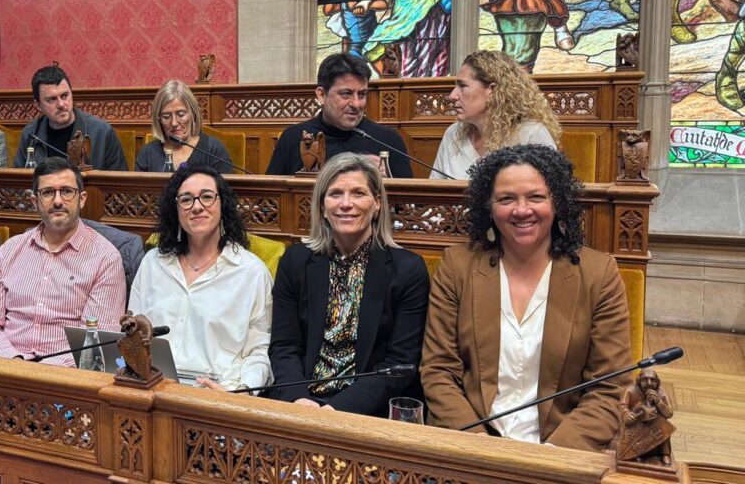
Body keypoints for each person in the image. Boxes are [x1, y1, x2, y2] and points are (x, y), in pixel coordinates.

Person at [421, 145, 632, 451]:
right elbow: (438, 370)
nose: (521, 210)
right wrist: (477, 446)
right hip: (471, 445)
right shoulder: (457, 267)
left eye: (536, 197)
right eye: (506, 199)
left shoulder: (599, 274)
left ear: (557, 202)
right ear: (489, 207)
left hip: (559, 451)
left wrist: (550, 457)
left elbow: (610, 386)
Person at [269, 153, 428, 415]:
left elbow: (399, 364)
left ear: (377, 204)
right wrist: (299, 400)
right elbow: (284, 346)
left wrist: (336, 410)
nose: (345, 204)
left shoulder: (408, 270)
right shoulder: (295, 261)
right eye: (335, 194)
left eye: (358, 193)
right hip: (301, 402)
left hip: (367, 410)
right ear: (322, 206)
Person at [0, 157, 126, 364]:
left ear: (82, 199)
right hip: (6, 367)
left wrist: (39, 372)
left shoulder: (105, 258)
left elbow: (97, 343)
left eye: (67, 191)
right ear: (35, 201)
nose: (58, 201)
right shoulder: (10, 250)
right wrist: (14, 362)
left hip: (65, 377)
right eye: (48, 192)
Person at [129, 165, 272, 391]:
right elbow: (133, 332)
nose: (196, 207)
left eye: (206, 197)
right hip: (153, 388)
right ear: (175, 209)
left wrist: (242, 392)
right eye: (186, 199)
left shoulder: (251, 272)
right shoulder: (152, 263)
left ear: (223, 205)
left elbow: (259, 351)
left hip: (218, 394)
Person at [266, 53, 412, 177]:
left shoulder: (388, 140)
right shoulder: (293, 137)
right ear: (322, 95)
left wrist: (385, 184)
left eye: (362, 94)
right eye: (346, 94)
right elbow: (270, 198)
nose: (356, 104)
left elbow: (408, 201)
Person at [431, 50, 560, 180]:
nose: (452, 96)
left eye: (462, 86)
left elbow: (555, 188)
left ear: (492, 90)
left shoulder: (531, 134)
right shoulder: (453, 134)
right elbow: (433, 189)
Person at [12, 65, 128, 171]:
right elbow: (17, 181)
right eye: (51, 99)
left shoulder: (102, 132)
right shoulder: (30, 134)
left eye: (65, 96)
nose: (61, 104)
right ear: (38, 105)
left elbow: (120, 183)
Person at [135, 80, 232, 173]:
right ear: (159, 120)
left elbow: (225, 184)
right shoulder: (147, 153)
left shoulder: (213, 149)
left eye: (181, 115)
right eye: (166, 117)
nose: (174, 123)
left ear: (193, 114)